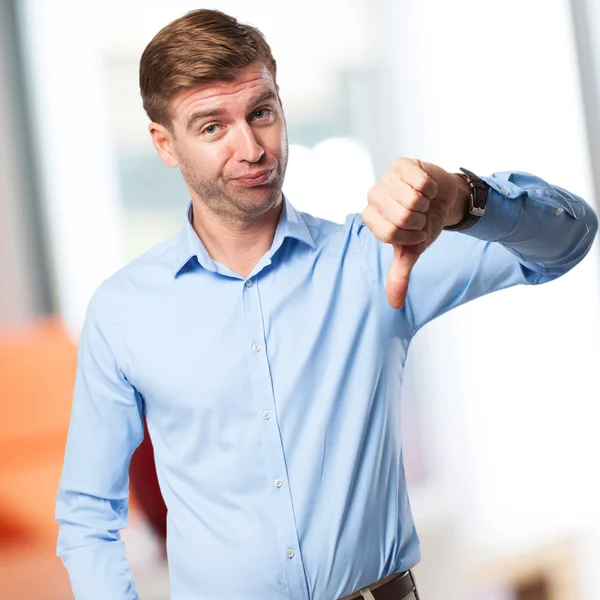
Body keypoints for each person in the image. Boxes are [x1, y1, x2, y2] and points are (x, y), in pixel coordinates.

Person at [55, 9, 598, 600]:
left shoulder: (377, 259)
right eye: (212, 127)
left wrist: (464, 198)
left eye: (260, 113)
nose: (252, 148)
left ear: (281, 106)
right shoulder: (124, 312)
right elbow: (88, 516)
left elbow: (567, 241)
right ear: (165, 143)